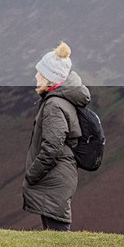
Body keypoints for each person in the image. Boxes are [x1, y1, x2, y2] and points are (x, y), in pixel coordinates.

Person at [23, 42, 89, 231]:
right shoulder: (60, 101)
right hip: (57, 178)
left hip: (54, 180)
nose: (36, 75)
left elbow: (52, 147)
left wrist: (32, 174)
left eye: (40, 72)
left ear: (49, 77)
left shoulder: (54, 106)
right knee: (56, 241)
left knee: (58, 240)